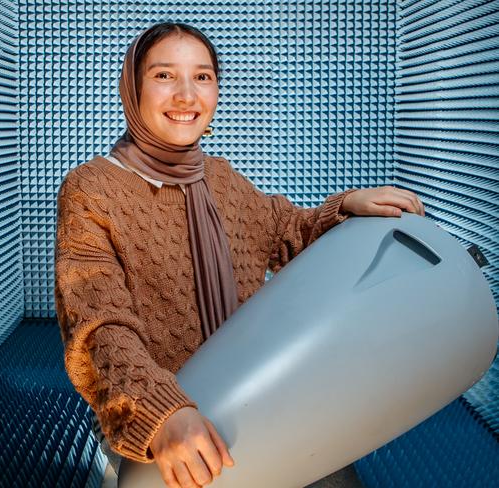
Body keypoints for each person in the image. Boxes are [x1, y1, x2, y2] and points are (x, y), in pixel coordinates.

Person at [54, 22, 425, 488]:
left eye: (203, 77)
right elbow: (97, 324)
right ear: (133, 86)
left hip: (250, 385)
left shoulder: (220, 176)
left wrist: (344, 206)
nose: (187, 96)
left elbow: (281, 231)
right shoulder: (92, 188)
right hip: (161, 412)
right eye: (164, 75)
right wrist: (162, 411)